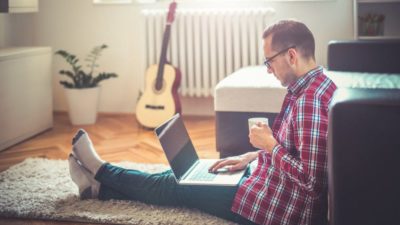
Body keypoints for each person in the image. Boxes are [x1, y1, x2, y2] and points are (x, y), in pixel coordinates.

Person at [68, 19, 337, 225]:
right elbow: (298, 156)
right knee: (184, 175)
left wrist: (270, 145)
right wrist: (253, 156)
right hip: (269, 181)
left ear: (291, 56)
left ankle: (101, 171)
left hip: (277, 206)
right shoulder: (314, 85)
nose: (268, 69)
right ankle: (97, 189)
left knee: (176, 185)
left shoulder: (309, 103)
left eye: (270, 61)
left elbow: (312, 184)